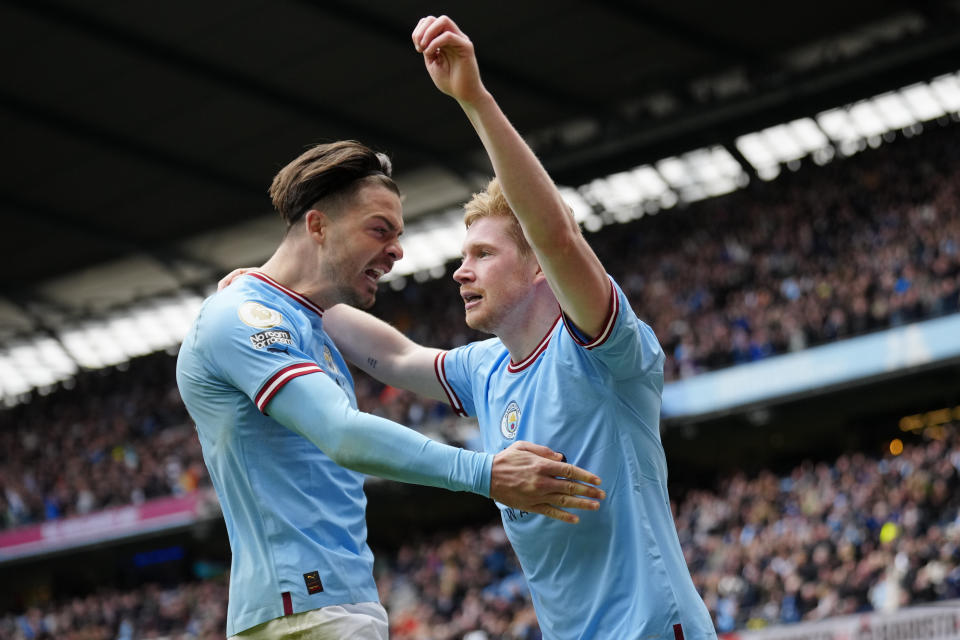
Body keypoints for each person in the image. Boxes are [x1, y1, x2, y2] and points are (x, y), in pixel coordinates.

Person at [319, 16, 720, 640]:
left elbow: (557, 233)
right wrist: (280, 286)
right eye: (463, 255)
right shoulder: (485, 371)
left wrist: (473, 99)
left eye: (483, 254)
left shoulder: (603, 351)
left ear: (536, 265)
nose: (460, 271)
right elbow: (393, 357)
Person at [176, 140, 606, 639]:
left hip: (331, 605)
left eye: (398, 235)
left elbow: (400, 356)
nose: (398, 250)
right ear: (317, 226)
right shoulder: (243, 316)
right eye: (380, 230)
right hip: (302, 610)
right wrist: (486, 472)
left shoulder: (308, 322)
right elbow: (341, 434)